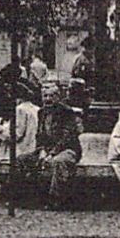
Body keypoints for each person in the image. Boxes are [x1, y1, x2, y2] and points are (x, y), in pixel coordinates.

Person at [35, 80, 85, 209]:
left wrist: (51, 153)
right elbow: (40, 135)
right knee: (22, 160)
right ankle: (22, 195)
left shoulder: (66, 112)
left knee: (58, 162)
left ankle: (55, 199)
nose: (48, 99)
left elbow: (66, 137)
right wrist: (41, 150)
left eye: (52, 96)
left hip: (68, 149)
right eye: (45, 96)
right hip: (47, 149)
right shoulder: (41, 112)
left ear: (58, 97)